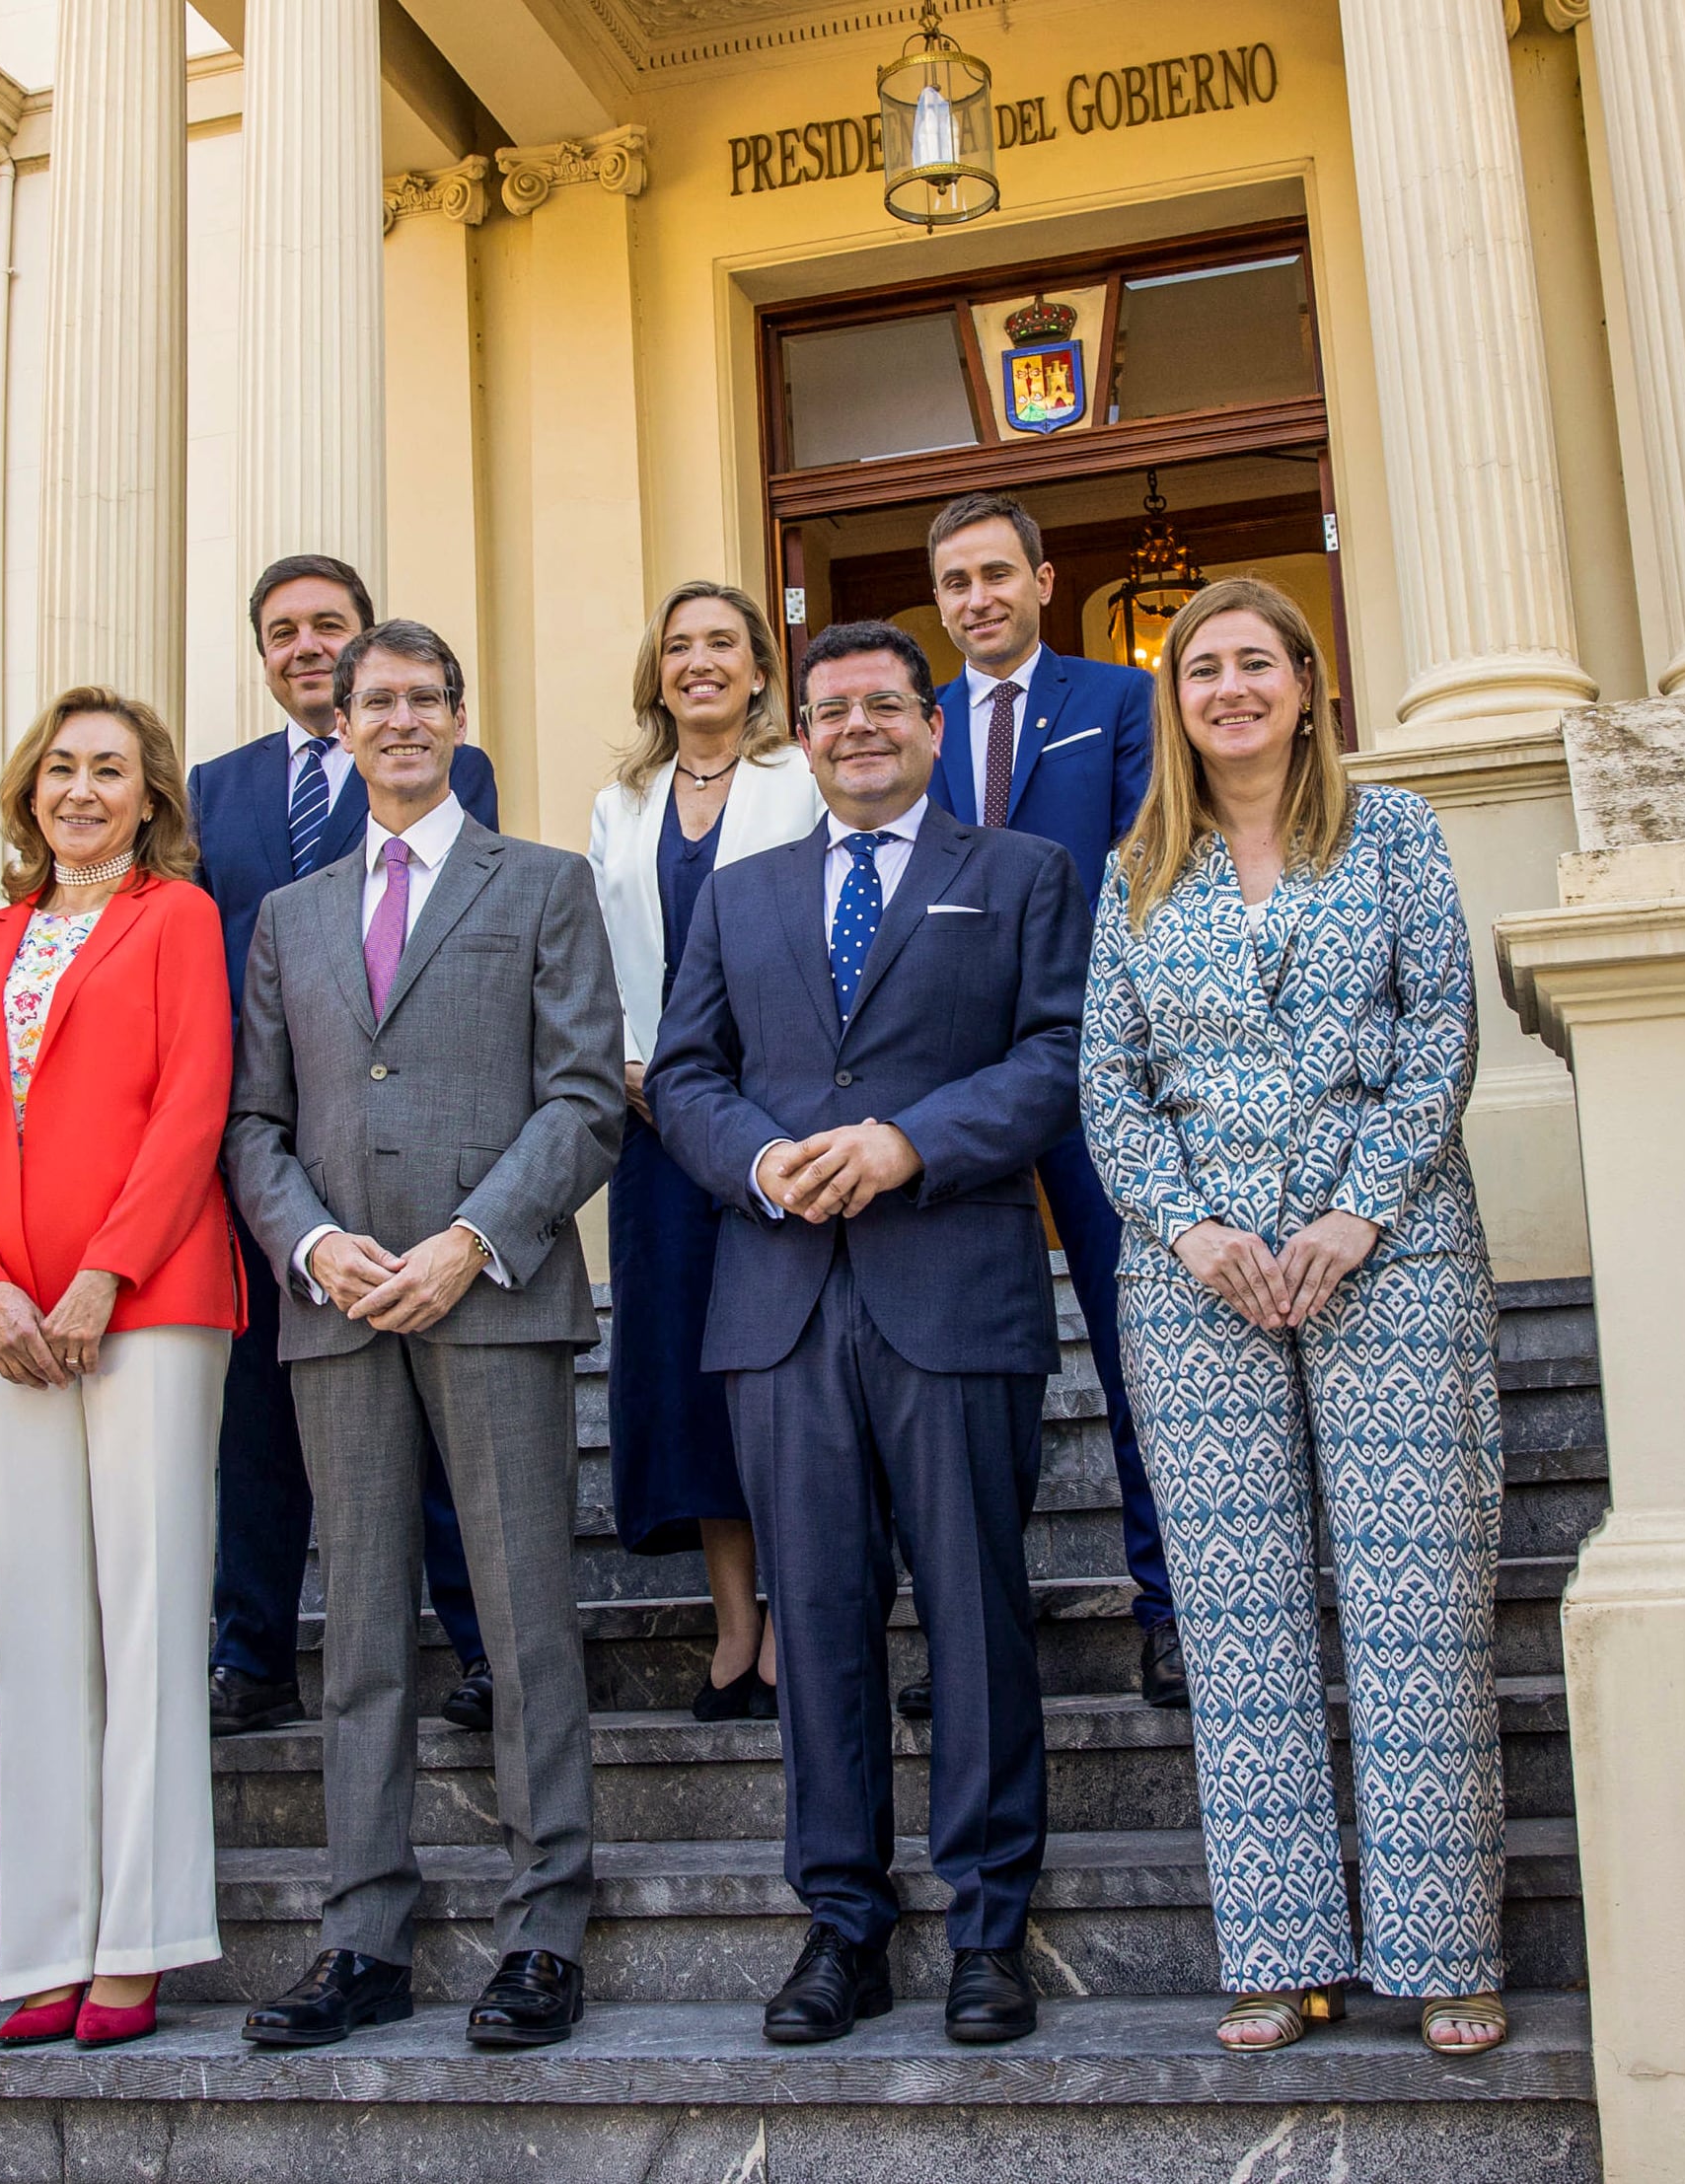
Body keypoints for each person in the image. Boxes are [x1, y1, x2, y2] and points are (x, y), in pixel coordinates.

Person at [1077, 577, 1508, 2061]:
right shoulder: (1138, 863)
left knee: (1414, 1608)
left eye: (1258, 662)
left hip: (1388, 1262)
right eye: (1203, 669)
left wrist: (1352, 1214)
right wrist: (1194, 1229)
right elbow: (1107, 1079)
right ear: (1175, 700)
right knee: (1242, 1625)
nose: (1231, 688)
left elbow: (1444, 1026)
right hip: (1197, 1288)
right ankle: (1278, 1952)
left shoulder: (1394, 836)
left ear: (1310, 683)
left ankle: (1445, 1951)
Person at [650, 619, 1086, 2051]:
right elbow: (688, 1069)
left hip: (950, 1285)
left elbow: (1053, 1056)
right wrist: (766, 1163)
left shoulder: (1017, 875)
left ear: (931, 723)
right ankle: (843, 1922)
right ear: (806, 729)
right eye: (831, 710)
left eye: (883, 707)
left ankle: (986, 1926)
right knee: (819, 1621)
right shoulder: (740, 890)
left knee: (969, 1611)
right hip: (780, 1303)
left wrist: (908, 1142)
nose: (855, 729)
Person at [226, 619, 624, 2053]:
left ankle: (543, 1927)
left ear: (460, 714)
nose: (398, 719)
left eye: (422, 697)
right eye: (372, 700)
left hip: (493, 1294)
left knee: (521, 1623)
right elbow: (254, 1122)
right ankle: (364, 1931)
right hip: (339, 1311)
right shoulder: (290, 913)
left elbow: (584, 1098)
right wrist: (319, 1246)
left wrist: (469, 1240)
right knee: (364, 1643)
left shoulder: (545, 884)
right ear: (340, 727)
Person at [0, 688, 241, 2051]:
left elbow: (193, 1102)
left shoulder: (178, 920)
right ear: (28, 788)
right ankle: (48, 1940)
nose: (83, 790)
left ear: (150, 795)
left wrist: (104, 1273)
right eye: (62, 767)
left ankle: (141, 1936)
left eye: (112, 770)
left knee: (147, 1614)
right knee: (41, 1628)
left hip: (152, 1299)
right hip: (1, 1320)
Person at [187, 553, 499, 1740]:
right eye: (283, 632)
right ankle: (251, 1653)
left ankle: (474, 1642)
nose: (306, 646)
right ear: (262, 655)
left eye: (330, 627)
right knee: (259, 1419)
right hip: (267, 1149)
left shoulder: (446, 766)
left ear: (369, 647)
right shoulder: (213, 793)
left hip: (412, 1138)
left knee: (431, 1415)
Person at [922, 489, 1181, 1715]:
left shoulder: (1116, 703)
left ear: (1039, 575)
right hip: (946, 1090)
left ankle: (1172, 1609)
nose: (975, 599)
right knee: (943, 1371)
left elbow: (1143, 859)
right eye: (953, 585)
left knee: (1139, 1346)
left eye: (993, 575)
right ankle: (965, 1635)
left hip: (1091, 1064)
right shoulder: (910, 724)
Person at [584, 581, 824, 1721]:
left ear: (758, 667)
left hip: (778, 1118)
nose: (698, 662)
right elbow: (595, 953)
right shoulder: (618, 801)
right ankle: (737, 1632)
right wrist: (629, 1062)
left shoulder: (803, 777)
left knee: (780, 1363)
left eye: (720, 643)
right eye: (677, 645)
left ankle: (805, 1616)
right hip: (654, 1125)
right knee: (687, 1375)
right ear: (656, 672)